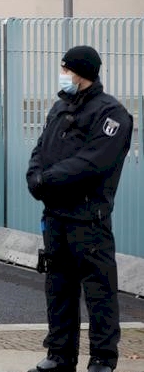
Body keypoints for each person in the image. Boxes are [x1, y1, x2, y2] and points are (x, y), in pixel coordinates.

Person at [26, 45, 133, 372]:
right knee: (58, 289)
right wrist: (34, 177)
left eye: (65, 68)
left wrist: (48, 180)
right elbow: (40, 148)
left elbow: (93, 163)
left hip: (88, 219)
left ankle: (102, 359)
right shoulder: (60, 106)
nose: (62, 74)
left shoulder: (111, 114)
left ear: (80, 71)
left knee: (99, 291)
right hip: (56, 218)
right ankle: (59, 356)